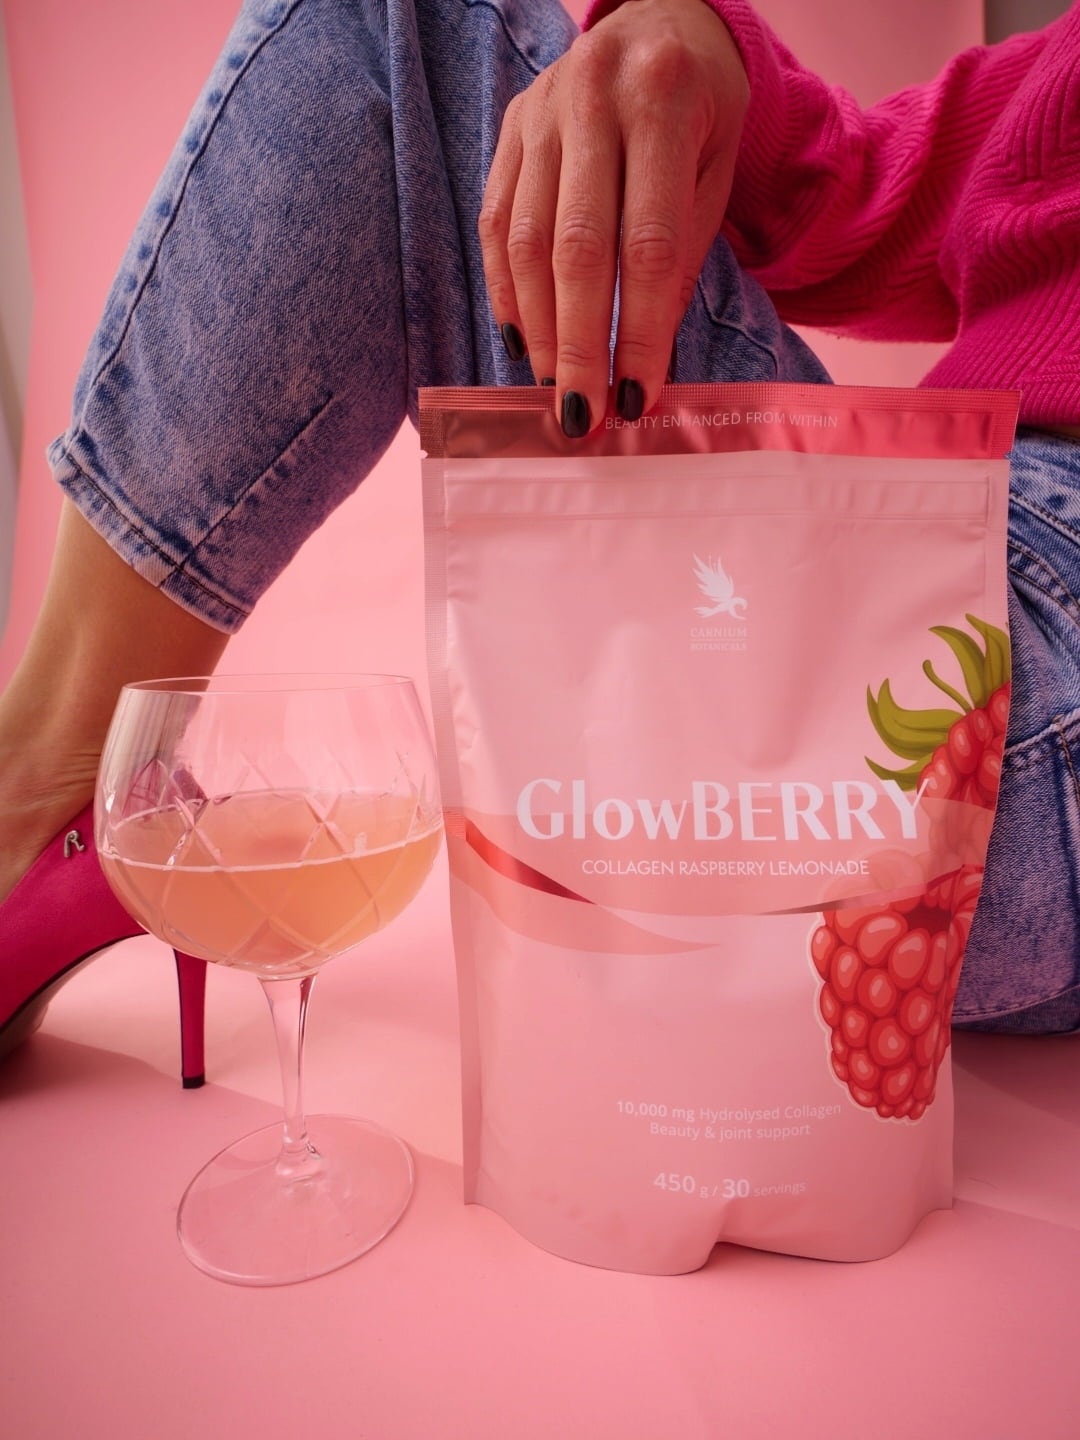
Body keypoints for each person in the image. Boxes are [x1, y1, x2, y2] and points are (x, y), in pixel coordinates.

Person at [0, 0, 1077, 1080]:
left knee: (394, 28)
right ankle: (64, 791)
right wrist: (701, 50)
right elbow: (863, 198)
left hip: (1018, 649)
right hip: (960, 541)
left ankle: (40, 800)